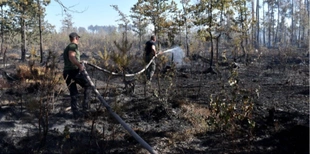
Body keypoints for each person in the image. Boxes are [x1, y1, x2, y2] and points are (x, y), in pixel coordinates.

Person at [63, 32, 90, 119]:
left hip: (67, 72)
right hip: (74, 71)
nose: (78, 40)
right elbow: (71, 57)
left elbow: (73, 58)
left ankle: (76, 114)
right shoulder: (73, 46)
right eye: (78, 38)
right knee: (88, 86)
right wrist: (80, 66)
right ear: (76, 38)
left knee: (73, 93)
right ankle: (86, 110)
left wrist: (80, 62)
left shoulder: (68, 47)